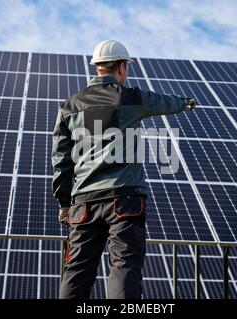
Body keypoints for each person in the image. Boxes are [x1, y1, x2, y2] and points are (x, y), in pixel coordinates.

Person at [52, 39, 196, 299]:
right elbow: (164, 102)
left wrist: (65, 204)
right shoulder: (130, 97)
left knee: (76, 270)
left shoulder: (69, 107)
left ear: (97, 68)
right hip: (124, 200)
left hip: (83, 204)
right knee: (124, 266)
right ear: (121, 67)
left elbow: (61, 161)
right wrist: (185, 103)